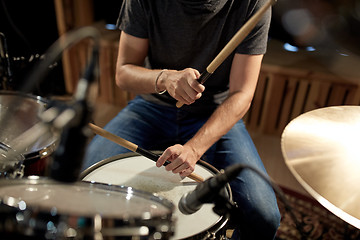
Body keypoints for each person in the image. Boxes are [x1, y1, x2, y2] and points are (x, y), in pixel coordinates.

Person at [83, 0, 281, 239]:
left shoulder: (254, 4)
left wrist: (194, 149)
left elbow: (242, 93)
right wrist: (165, 78)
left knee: (264, 216)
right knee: (84, 188)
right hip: (150, 107)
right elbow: (123, 73)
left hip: (216, 111)